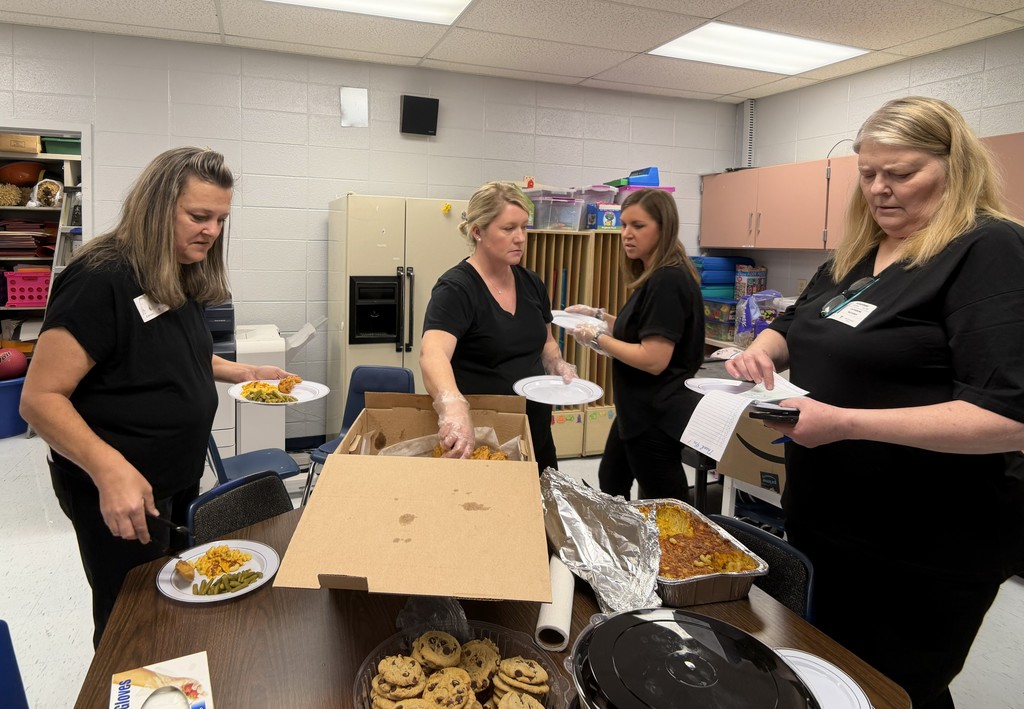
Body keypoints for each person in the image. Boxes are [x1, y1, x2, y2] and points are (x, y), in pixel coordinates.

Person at [724, 96, 1024, 709]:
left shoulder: (988, 250)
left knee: (893, 690)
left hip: (921, 541)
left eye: (902, 173)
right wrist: (762, 348)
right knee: (831, 671)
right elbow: (799, 323)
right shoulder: (863, 252)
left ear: (955, 167)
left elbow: (1007, 416)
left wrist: (845, 423)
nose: (880, 189)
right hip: (826, 516)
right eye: (867, 174)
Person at [19, 147, 294, 648]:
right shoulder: (99, 278)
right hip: (119, 488)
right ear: (157, 206)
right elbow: (40, 398)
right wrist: (109, 469)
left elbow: (174, 354)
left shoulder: (177, 269)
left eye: (220, 219)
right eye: (199, 216)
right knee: (132, 621)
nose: (212, 231)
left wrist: (244, 371)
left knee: (172, 603)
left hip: (174, 476)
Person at [420, 181, 576, 472]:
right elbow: (433, 354)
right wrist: (453, 406)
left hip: (535, 430)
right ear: (478, 232)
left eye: (524, 227)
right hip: (482, 437)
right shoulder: (457, 288)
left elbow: (545, 341)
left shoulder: (531, 283)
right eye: (508, 228)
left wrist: (557, 364)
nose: (520, 238)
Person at [567, 188, 704, 501]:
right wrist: (598, 316)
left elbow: (653, 358)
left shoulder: (668, 280)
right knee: (611, 477)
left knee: (664, 501)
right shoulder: (654, 275)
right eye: (624, 225)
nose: (627, 234)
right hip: (636, 409)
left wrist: (597, 338)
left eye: (638, 226)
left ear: (663, 227)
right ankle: (624, 531)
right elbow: (639, 330)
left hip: (655, 414)